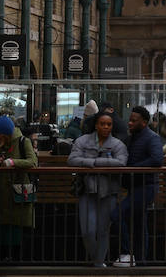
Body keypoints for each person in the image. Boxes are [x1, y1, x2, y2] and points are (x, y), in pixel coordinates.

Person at [69, 110, 129, 267]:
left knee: (103, 231)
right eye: (102, 124)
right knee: (87, 232)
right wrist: (93, 163)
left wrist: (94, 162)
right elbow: (72, 160)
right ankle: (98, 260)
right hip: (87, 191)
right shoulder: (82, 141)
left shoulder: (117, 144)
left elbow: (121, 163)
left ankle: (98, 265)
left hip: (109, 192)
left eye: (109, 124)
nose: (106, 127)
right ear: (96, 125)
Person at [113, 106, 163, 268]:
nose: (129, 123)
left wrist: (133, 169)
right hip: (136, 186)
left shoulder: (151, 138)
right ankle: (140, 260)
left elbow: (157, 159)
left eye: (134, 121)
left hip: (145, 186)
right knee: (140, 224)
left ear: (144, 122)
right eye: (130, 119)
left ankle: (128, 253)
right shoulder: (132, 138)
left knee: (117, 214)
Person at [0, 115, 38, 260]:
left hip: (18, 195)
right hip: (0, 195)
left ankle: (15, 260)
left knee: (16, 229)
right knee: (2, 230)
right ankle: (3, 259)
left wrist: (12, 162)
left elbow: (32, 162)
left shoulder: (23, 142)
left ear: (5, 133)